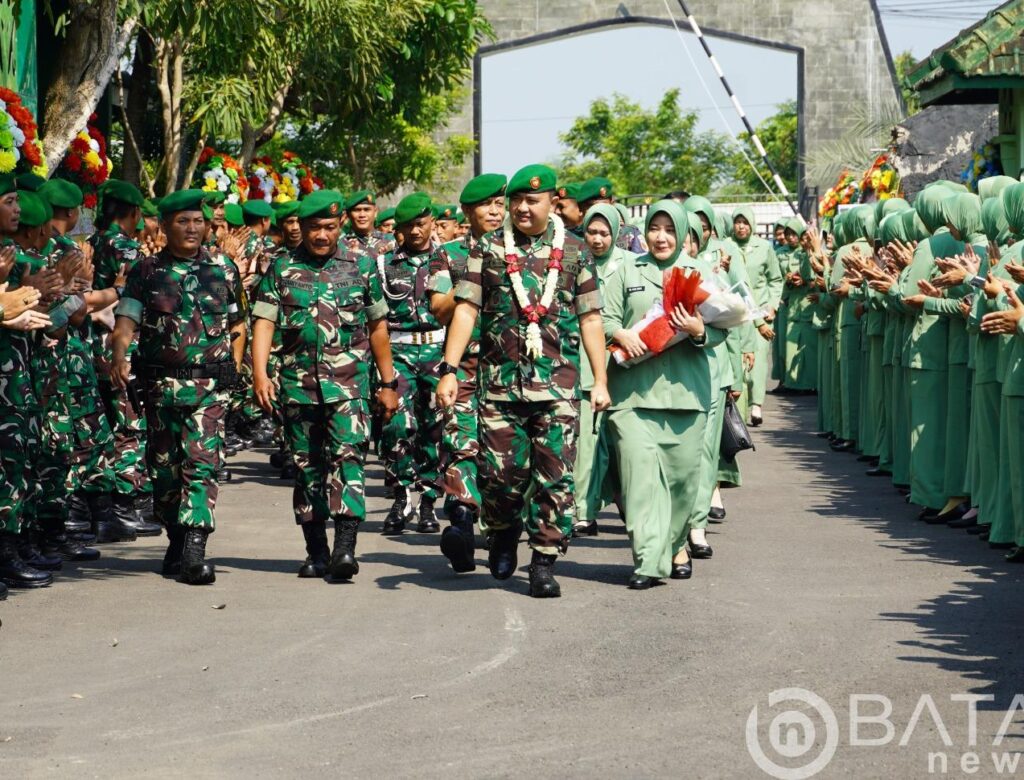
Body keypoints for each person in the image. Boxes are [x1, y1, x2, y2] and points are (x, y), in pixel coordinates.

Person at [436, 163, 610, 598]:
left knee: (555, 477)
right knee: (502, 476)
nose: (521, 208)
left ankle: (544, 562)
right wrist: (450, 369)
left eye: (532, 200)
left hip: (558, 387)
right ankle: (503, 533)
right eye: (516, 201)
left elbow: (590, 318)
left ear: (553, 201)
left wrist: (601, 380)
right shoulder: (490, 248)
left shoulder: (574, 250)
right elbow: (467, 310)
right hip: (499, 386)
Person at [251, 189, 399, 580]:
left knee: (348, 459)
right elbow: (264, 321)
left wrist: (388, 382)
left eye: (329, 227)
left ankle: (345, 550)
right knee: (307, 468)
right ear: (302, 227)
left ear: (340, 227)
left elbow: (378, 327)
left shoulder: (362, 266)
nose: (321, 235)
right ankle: (316, 552)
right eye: (314, 227)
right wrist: (260, 372)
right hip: (297, 386)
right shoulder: (281, 268)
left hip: (350, 386)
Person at [111, 189, 247, 585]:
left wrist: (232, 367)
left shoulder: (224, 268)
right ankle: (176, 537)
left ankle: (194, 549)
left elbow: (237, 324)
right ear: (166, 226)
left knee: (202, 465)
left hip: (209, 389)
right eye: (183, 222)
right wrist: (119, 355)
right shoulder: (146, 271)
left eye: (198, 221)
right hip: (160, 390)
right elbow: (125, 323)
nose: (192, 229)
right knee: (165, 471)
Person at [602, 202, 721, 588]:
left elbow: (726, 324)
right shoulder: (627, 271)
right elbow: (602, 317)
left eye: (670, 228)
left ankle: (673, 545)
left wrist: (700, 329)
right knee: (639, 483)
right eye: (654, 227)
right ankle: (648, 561)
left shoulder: (700, 273)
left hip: (687, 395)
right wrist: (618, 334)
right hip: (633, 396)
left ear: (685, 233)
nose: (661, 236)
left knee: (684, 482)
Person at [427, 172, 506, 572]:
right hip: (465, 368)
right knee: (461, 444)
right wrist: (472, 283)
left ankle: (499, 534)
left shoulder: (517, 251)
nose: (495, 211)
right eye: (485, 205)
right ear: (467, 213)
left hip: (511, 371)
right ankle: (460, 523)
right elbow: (438, 309)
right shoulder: (450, 255)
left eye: (499, 204)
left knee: (504, 459)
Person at [378, 193, 446, 534]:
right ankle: (402, 494)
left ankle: (429, 501)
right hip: (399, 352)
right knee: (395, 426)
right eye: (408, 226)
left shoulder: (449, 259)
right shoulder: (384, 264)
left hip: (437, 350)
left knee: (434, 427)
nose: (416, 231)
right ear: (399, 229)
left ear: (431, 222)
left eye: (421, 224)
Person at [571, 203, 635, 537]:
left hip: (624, 363)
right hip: (585, 361)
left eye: (604, 233)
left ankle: (630, 505)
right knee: (588, 442)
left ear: (616, 233)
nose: (597, 239)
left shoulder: (631, 265)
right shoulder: (574, 262)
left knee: (622, 440)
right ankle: (584, 510)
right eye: (591, 232)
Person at [733, 206, 783, 426]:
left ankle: (757, 404)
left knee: (759, 362)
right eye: (738, 222)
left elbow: (775, 279)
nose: (741, 227)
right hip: (738, 314)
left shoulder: (764, 248)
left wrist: (772, 305)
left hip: (761, 312)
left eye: (745, 222)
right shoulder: (729, 247)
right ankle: (739, 409)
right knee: (739, 362)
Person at [578, 177, 646, 254]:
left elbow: (642, 264)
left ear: (612, 204)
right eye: (593, 207)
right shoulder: (571, 237)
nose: (600, 212)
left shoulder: (629, 234)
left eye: (605, 207)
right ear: (581, 209)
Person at [344, 190, 395, 257]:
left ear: (375, 212)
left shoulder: (392, 241)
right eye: (357, 210)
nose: (362, 215)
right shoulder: (340, 244)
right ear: (348, 215)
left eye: (367, 209)